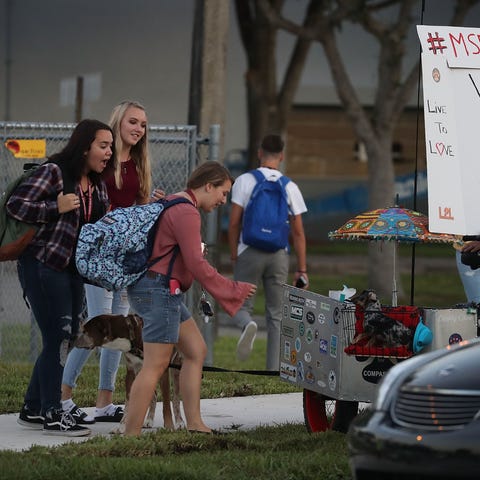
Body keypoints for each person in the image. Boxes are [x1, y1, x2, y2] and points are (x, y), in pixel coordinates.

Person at [124, 161, 256, 436]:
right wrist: (232, 289)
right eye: (223, 193)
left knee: (196, 350)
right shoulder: (187, 212)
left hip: (158, 290)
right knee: (155, 365)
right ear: (208, 186)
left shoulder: (174, 202)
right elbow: (196, 264)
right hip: (160, 291)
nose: (224, 200)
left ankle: (194, 423)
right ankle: (131, 435)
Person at [7, 119, 114, 436]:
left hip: (72, 269)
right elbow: (17, 205)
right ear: (84, 147)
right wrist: (55, 206)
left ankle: (33, 407)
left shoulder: (96, 185)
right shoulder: (54, 172)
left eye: (110, 146)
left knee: (67, 335)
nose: (108, 152)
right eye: (103, 145)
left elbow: (99, 223)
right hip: (42, 264)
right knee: (57, 335)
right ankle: (53, 413)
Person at [61, 101, 164, 424]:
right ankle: (62, 397)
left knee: (119, 330)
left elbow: (139, 210)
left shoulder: (139, 162)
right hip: (98, 258)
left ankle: (104, 403)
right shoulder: (100, 160)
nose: (138, 129)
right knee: (96, 326)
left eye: (144, 124)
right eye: (133, 121)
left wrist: (153, 206)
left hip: (125, 261)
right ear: (118, 123)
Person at [228, 134, 308, 370]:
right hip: (278, 255)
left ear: (260, 153)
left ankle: (247, 325)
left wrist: (235, 254)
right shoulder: (290, 186)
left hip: (249, 250)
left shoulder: (244, 181)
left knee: (239, 306)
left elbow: (233, 223)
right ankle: (274, 369)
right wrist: (301, 269)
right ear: (281, 156)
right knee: (276, 314)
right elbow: (299, 233)